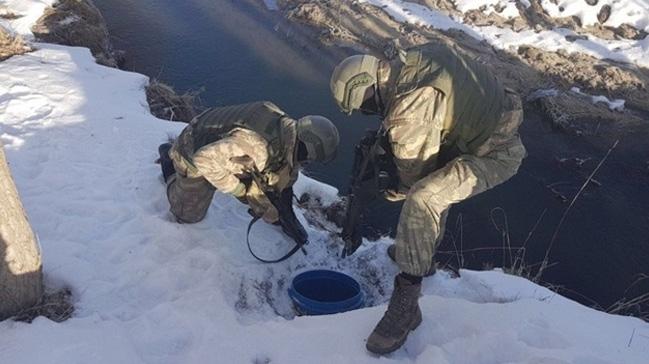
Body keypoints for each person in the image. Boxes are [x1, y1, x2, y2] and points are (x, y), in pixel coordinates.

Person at [330, 41, 526, 354]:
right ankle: (423, 259)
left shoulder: (409, 112)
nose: (370, 113)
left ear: (369, 87)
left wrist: (386, 188)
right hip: (495, 117)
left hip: (497, 151)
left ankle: (407, 304)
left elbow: (413, 183)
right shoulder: (412, 60)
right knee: (435, 183)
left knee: (424, 197)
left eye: (367, 105)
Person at [158, 101, 340, 225]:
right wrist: (237, 189)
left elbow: (286, 173)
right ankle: (169, 161)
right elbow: (203, 159)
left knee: (273, 178)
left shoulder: (287, 130)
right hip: (192, 148)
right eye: (309, 157)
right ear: (305, 147)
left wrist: (281, 213)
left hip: (221, 144)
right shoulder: (258, 147)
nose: (307, 162)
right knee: (188, 217)